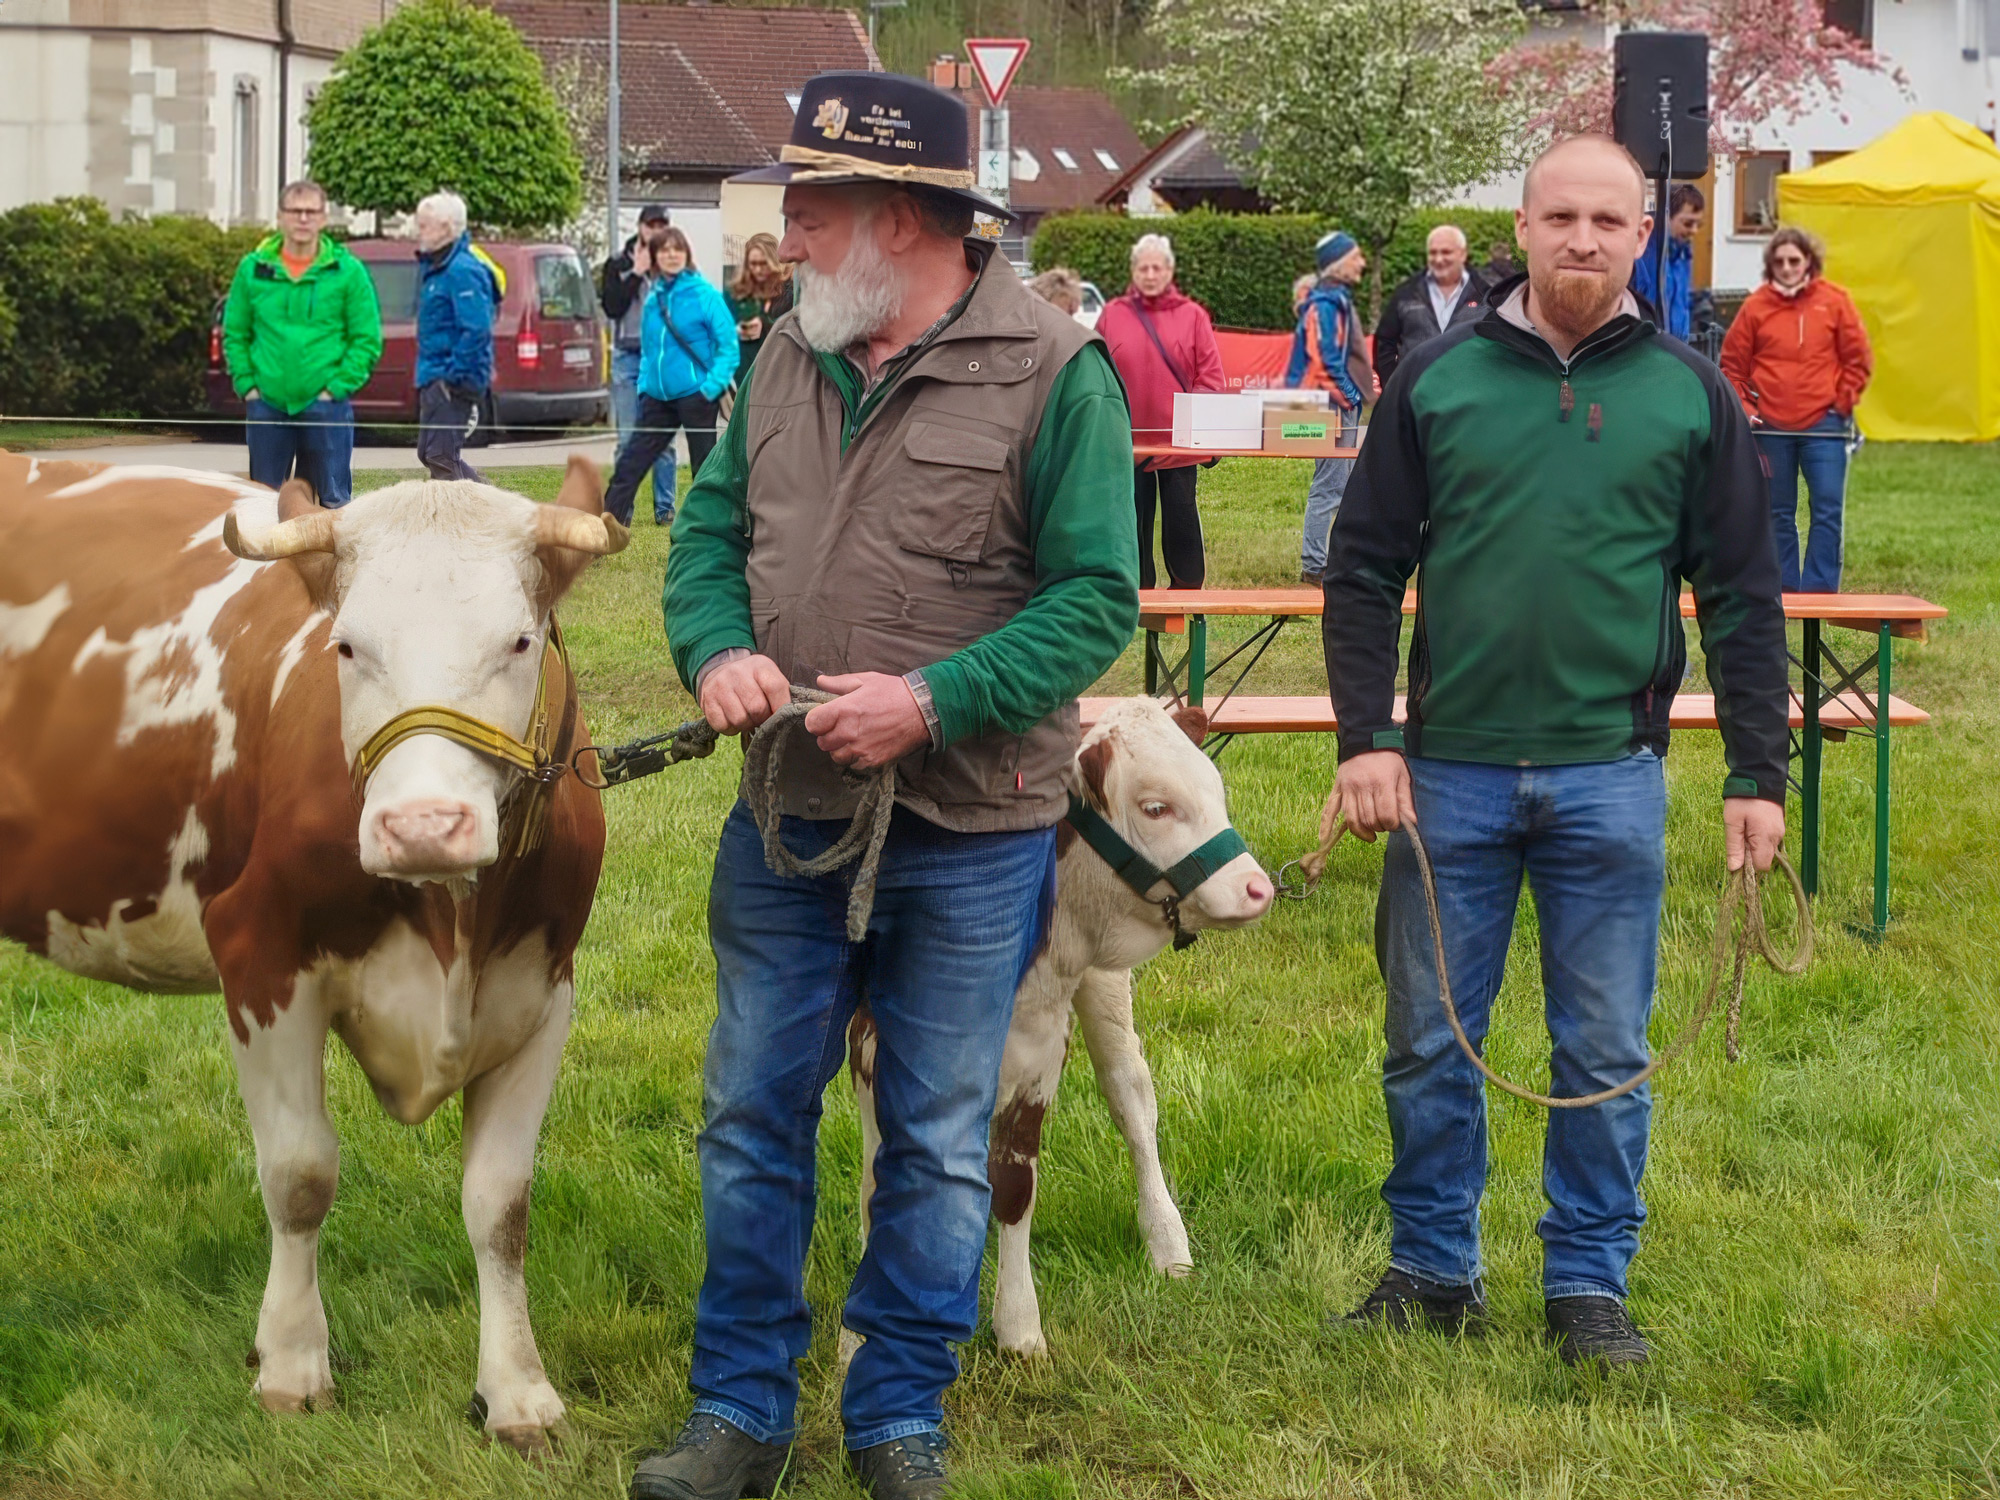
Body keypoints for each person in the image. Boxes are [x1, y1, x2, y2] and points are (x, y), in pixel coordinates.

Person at [641, 69, 1136, 1500]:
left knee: (930, 1133)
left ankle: (896, 1416)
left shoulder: (1057, 371)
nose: (784, 236)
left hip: (975, 831)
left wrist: (932, 701)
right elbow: (709, 535)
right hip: (787, 816)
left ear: (900, 218)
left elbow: (1097, 596)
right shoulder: (788, 354)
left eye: (808, 207)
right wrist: (715, 646)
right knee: (749, 1112)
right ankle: (739, 1414)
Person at [1321, 134, 1787, 1370]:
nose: (1583, 239)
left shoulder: (1691, 393)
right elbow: (1361, 572)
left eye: (1609, 220)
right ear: (1517, 228)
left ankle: (1587, 1283)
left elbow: (1741, 594)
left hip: (1609, 776)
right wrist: (1363, 740)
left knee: (1603, 1050)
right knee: (1427, 1036)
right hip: (1447, 776)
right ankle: (1430, 1267)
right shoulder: (1433, 379)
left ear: (1645, 237)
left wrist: (1756, 775)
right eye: (1560, 216)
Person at [1721, 226, 1873, 593]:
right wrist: (1745, 406)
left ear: (1809, 261)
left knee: (1827, 510)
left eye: (1794, 260)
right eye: (1780, 261)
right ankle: (1782, 590)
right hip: (1771, 429)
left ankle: (1820, 592)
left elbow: (1858, 359)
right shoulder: (1755, 307)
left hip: (1825, 427)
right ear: (1771, 264)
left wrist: (1841, 402)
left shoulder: (1835, 301)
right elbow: (1732, 367)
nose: (1787, 267)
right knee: (1776, 512)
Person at [222, 179, 382, 508]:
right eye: (295, 211)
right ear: (280, 217)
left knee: (333, 504)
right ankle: (265, 562)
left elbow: (365, 340)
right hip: (267, 405)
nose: (303, 219)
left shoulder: (347, 271)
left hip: (326, 406)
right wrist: (248, 386)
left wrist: (336, 389)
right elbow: (235, 333)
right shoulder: (253, 270)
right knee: (262, 502)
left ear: (324, 218)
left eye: (311, 211)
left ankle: (330, 561)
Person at [1099, 233, 1226, 588]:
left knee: (1181, 517)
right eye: (1143, 267)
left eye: (1157, 267)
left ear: (1169, 271)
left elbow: (1211, 379)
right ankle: (1135, 591)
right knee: (1131, 520)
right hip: (1128, 442)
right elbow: (1097, 374)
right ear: (1133, 271)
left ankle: (1187, 590)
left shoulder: (1194, 317)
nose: (1150, 274)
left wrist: (1201, 434)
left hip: (1178, 444)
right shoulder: (1112, 315)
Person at [602, 226, 737, 528]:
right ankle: (606, 530)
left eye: (677, 249)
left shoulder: (705, 295)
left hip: (697, 394)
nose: (671, 255)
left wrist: (711, 388)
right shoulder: (654, 299)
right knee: (630, 464)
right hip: (657, 398)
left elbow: (728, 347)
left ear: (687, 254)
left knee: (705, 470)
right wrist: (643, 389)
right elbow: (650, 351)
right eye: (664, 250)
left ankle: (710, 532)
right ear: (654, 257)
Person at [1288, 229, 1372, 585]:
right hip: (1332, 404)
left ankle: (1329, 560)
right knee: (1330, 485)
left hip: (1335, 402)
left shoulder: (1333, 300)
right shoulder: (1325, 304)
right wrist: (1352, 395)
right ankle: (1314, 565)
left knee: (1343, 483)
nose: (1362, 263)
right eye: (1356, 256)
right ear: (1338, 263)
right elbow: (1325, 359)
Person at [412, 191, 502, 483]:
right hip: (433, 375)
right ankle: (487, 499)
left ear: (448, 228)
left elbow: (476, 328)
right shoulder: (438, 268)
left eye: (425, 225)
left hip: (452, 380)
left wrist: (453, 377)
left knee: (441, 455)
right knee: (428, 452)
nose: (418, 231)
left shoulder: (463, 271)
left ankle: (476, 513)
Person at [602, 204, 678, 518]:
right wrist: (636, 273)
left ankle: (665, 508)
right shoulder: (618, 263)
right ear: (640, 227)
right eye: (651, 225)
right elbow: (612, 307)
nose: (656, 230)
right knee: (627, 437)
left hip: (660, 355)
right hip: (627, 355)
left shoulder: (673, 263)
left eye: (662, 225)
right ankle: (622, 510)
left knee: (663, 438)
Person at [1371, 224, 1491, 387]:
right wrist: (1392, 386)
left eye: (1446, 252)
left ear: (1463, 255)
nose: (1439, 259)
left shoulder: (1486, 296)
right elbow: (1384, 342)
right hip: (1414, 401)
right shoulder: (1406, 294)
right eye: (1433, 253)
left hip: (1467, 402)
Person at [1631, 182, 1703, 341]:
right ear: (1667, 217)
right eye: (1688, 222)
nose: (1694, 230)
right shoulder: (1641, 251)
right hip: (1650, 351)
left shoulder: (1681, 250)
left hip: (1675, 349)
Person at [725, 231, 795, 379]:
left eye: (763, 262)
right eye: (752, 263)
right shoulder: (740, 294)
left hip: (782, 374)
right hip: (748, 376)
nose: (757, 269)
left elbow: (795, 332)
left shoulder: (791, 292)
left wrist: (764, 323)